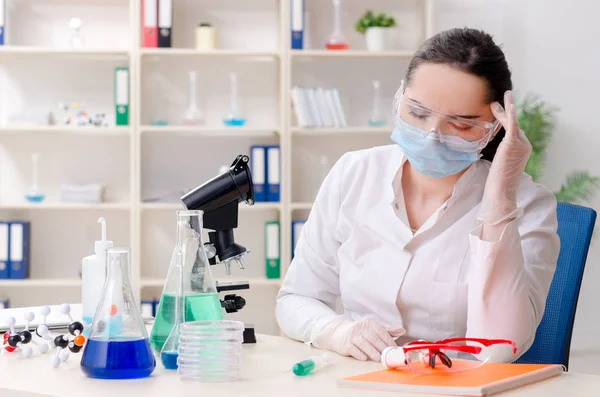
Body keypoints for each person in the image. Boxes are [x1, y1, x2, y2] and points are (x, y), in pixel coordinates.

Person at [275, 27, 560, 364]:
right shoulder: (352, 173)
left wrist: (499, 199)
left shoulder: (528, 205)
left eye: (461, 124)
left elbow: (498, 350)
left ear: (495, 127)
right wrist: (336, 330)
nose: (431, 136)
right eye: (419, 113)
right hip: (358, 379)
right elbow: (295, 299)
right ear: (399, 99)